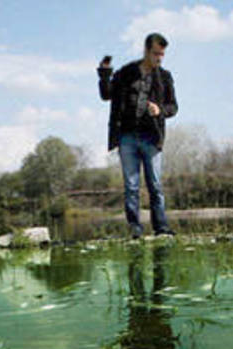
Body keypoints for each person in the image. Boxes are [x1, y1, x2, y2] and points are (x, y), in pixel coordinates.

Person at [98, 33, 178, 239]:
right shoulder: (126, 73)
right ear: (146, 50)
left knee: (155, 185)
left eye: (162, 54)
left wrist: (159, 110)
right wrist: (105, 72)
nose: (159, 58)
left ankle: (161, 228)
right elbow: (106, 95)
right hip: (126, 137)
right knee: (131, 186)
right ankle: (135, 229)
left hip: (152, 138)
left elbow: (173, 107)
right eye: (155, 54)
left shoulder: (165, 77)